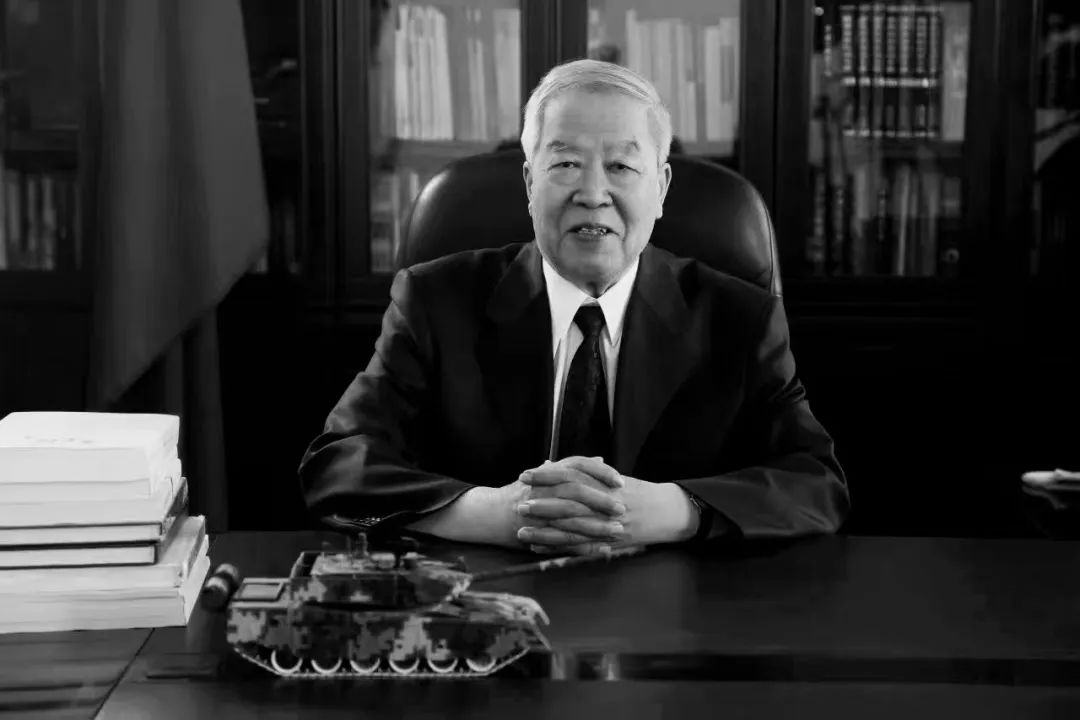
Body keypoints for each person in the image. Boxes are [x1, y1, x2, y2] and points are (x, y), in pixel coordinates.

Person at [299, 59, 849, 555]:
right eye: (565, 163)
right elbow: (338, 465)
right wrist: (492, 513)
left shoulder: (738, 319)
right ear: (529, 183)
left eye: (621, 167)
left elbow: (816, 483)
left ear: (661, 189)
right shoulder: (436, 302)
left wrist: (676, 510)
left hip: (678, 613)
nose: (592, 193)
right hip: (487, 603)